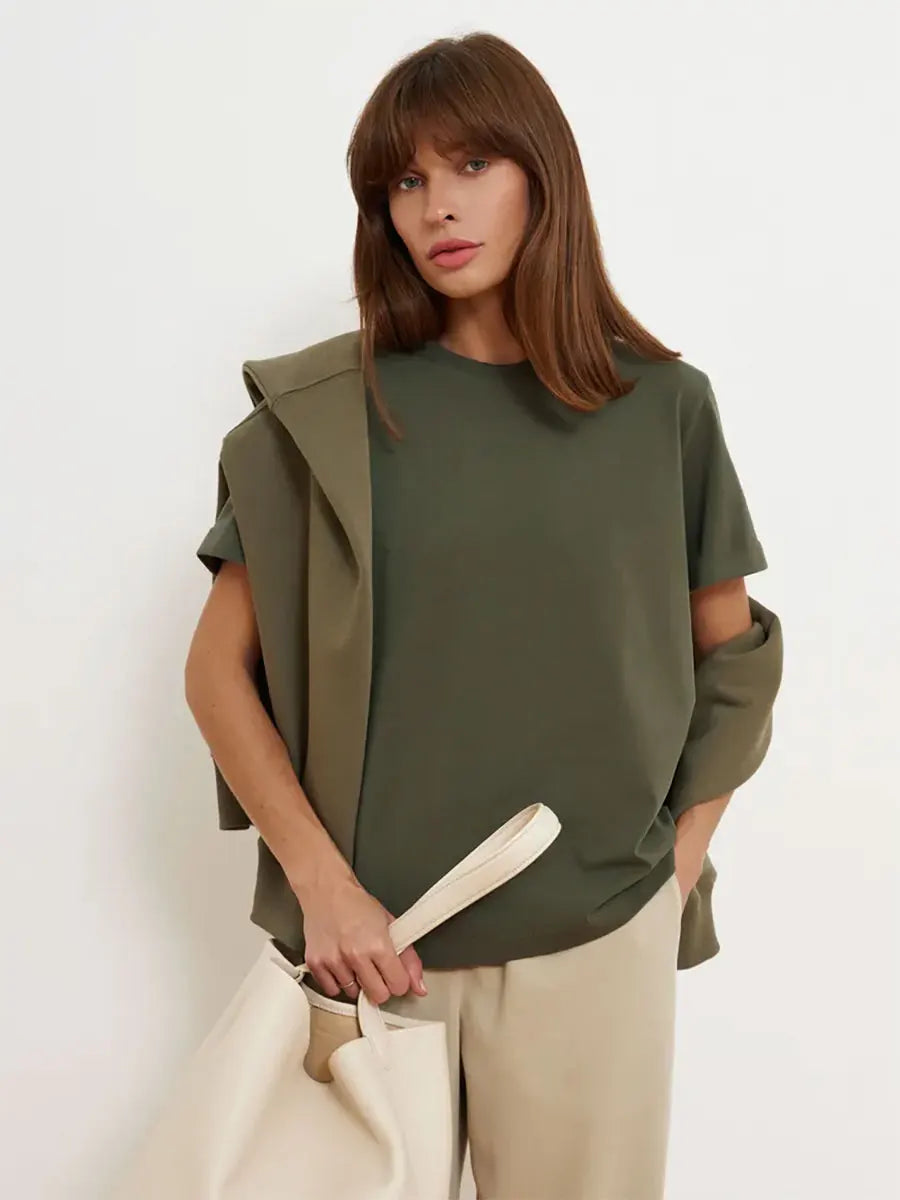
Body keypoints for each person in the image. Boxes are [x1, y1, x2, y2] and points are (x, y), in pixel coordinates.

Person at [185, 31, 775, 1200]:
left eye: (470, 165)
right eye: (405, 180)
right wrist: (325, 890)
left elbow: (738, 659)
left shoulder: (660, 408)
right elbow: (216, 673)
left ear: (541, 173)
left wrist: (667, 878)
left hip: (594, 940)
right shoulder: (322, 416)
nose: (437, 207)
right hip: (372, 953)